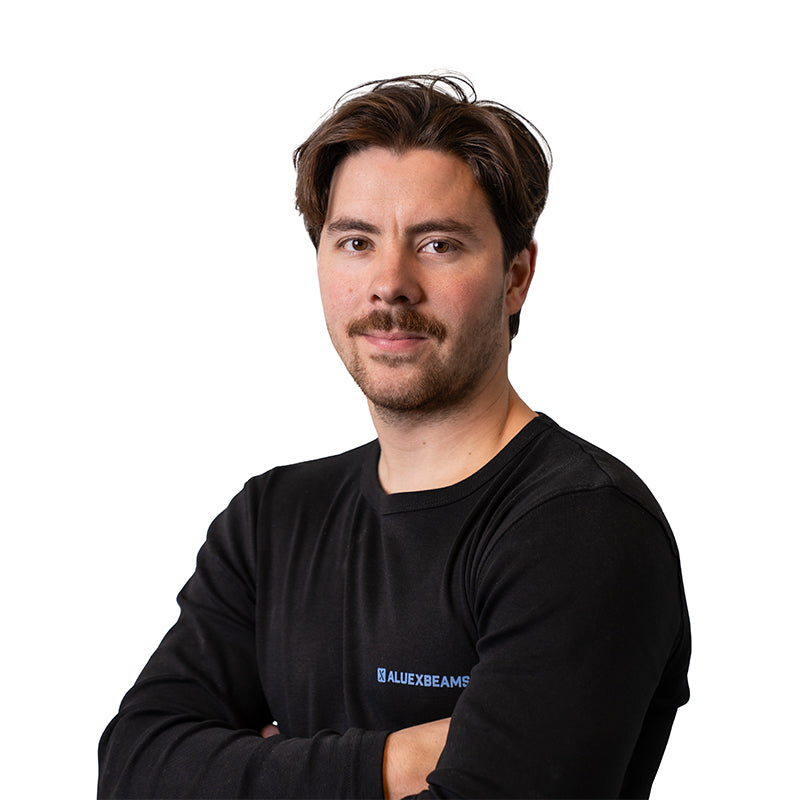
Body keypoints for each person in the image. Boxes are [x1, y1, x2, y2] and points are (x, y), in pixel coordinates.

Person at [98, 75, 691, 799]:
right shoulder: (272, 519)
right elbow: (133, 767)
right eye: (356, 242)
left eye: (438, 244)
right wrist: (402, 761)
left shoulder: (581, 528)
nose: (390, 283)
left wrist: (256, 769)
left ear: (516, 277)